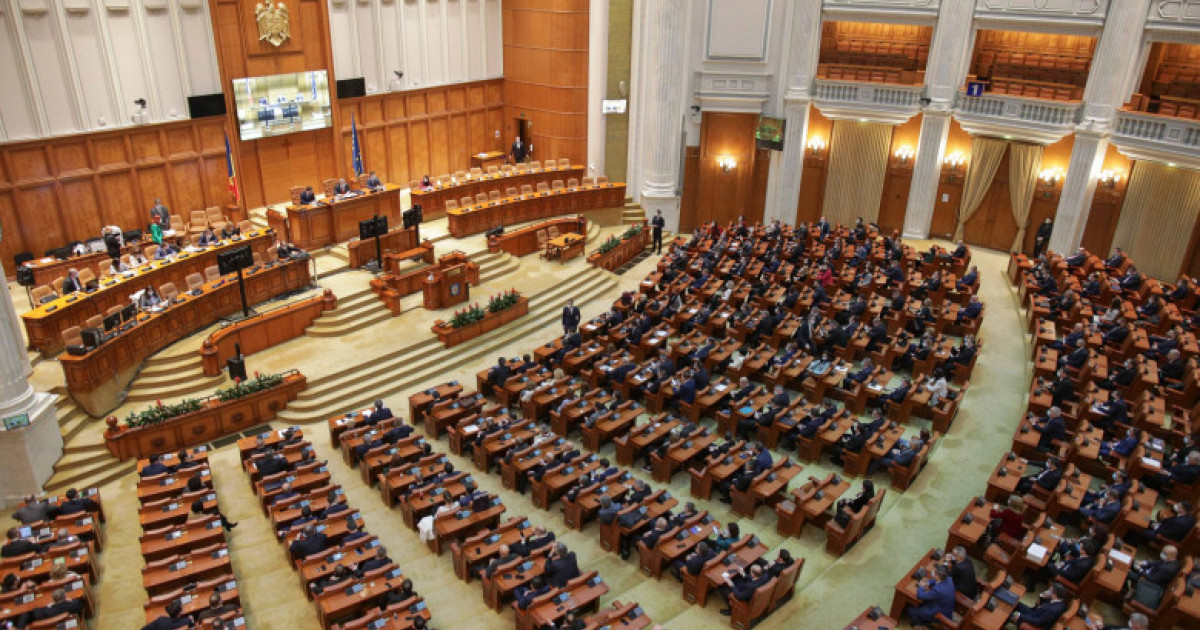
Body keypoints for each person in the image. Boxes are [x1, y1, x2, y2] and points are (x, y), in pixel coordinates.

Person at [907, 564, 955, 628]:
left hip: (939, 614)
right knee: (920, 603)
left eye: (935, 573)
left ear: (937, 576)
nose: (933, 573)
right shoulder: (948, 579)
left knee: (911, 610)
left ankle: (919, 625)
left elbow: (920, 596)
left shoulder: (938, 590)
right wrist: (928, 583)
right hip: (944, 608)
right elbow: (936, 580)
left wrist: (920, 586)